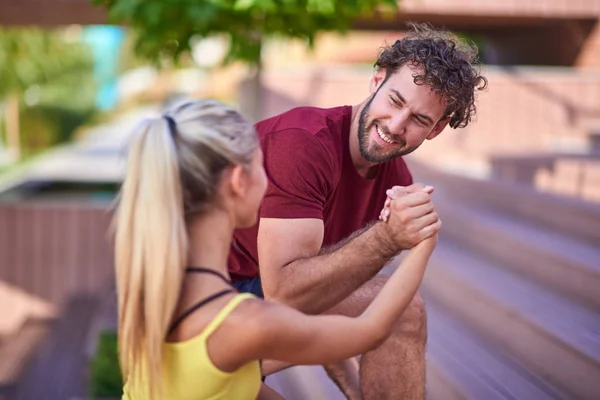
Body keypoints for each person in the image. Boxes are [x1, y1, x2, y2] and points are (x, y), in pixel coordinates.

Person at [113, 99, 439, 400]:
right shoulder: (247, 323)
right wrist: (419, 237)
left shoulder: (163, 295)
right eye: (262, 167)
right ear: (239, 182)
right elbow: (371, 330)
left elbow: (226, 387)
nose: (270, 181)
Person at [228, 24, 487, 399]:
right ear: (377, 79)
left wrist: (353, 389)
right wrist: (387, 238)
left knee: (395, 306)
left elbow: (327, 285)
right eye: (395, 102)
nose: (396, 127)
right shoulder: (304, 145)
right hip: (195, 313)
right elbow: (287, 294)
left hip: (252, 307)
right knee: (398, 307)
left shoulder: (394, 177)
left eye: (419, 120)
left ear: (437, 129)